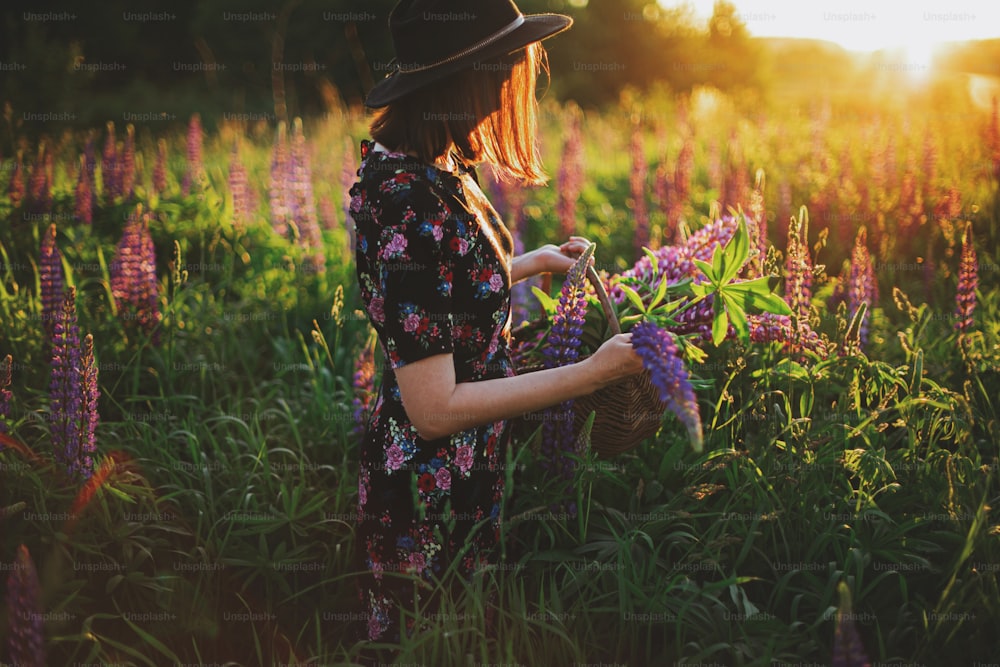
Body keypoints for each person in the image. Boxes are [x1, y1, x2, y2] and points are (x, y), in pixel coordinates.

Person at [348, 0, 645, 646]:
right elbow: (434, 407)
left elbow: (435, 289)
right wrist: (588, 373)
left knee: (466, 636)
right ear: (463, 77)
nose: (508, 93)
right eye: (502, 74)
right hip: (427, 495)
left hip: (468, 471)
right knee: (430, 644)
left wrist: (524, 263)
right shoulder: (403, 198)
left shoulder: (436, 159)